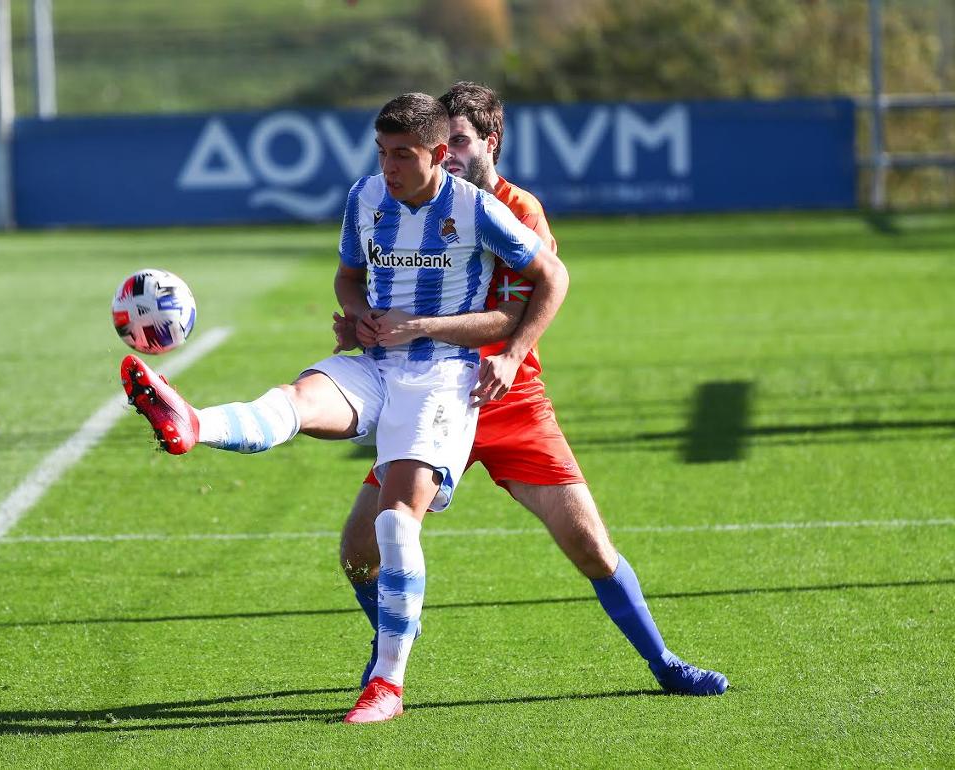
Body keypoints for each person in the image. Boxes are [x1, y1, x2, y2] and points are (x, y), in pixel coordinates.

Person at [123, 92, 567, 724]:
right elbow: (347, 276)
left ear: (438, 153)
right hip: (375, 365)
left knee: (394, 525)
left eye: (402, 154)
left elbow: (554, 277)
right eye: (381, 152)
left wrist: (507, 350)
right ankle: (195, 423)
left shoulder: (476, 209)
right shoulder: (365, 197)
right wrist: (357, 314)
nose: (388, 167)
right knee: (294, 401)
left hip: (442, 381)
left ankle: (387, 685)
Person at [335, 82, 728, 699]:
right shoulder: (405, 202)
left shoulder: (516, 210)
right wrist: (362, 322)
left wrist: (513, 355)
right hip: (426, 395)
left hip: (508, 399)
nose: (449, 155)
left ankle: (664, 662)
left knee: (589, 545)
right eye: (443, 144)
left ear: (489, 142)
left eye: (460, 142)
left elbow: (529, 300)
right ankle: (391, 642)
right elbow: (368, 282)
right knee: (359, 550)